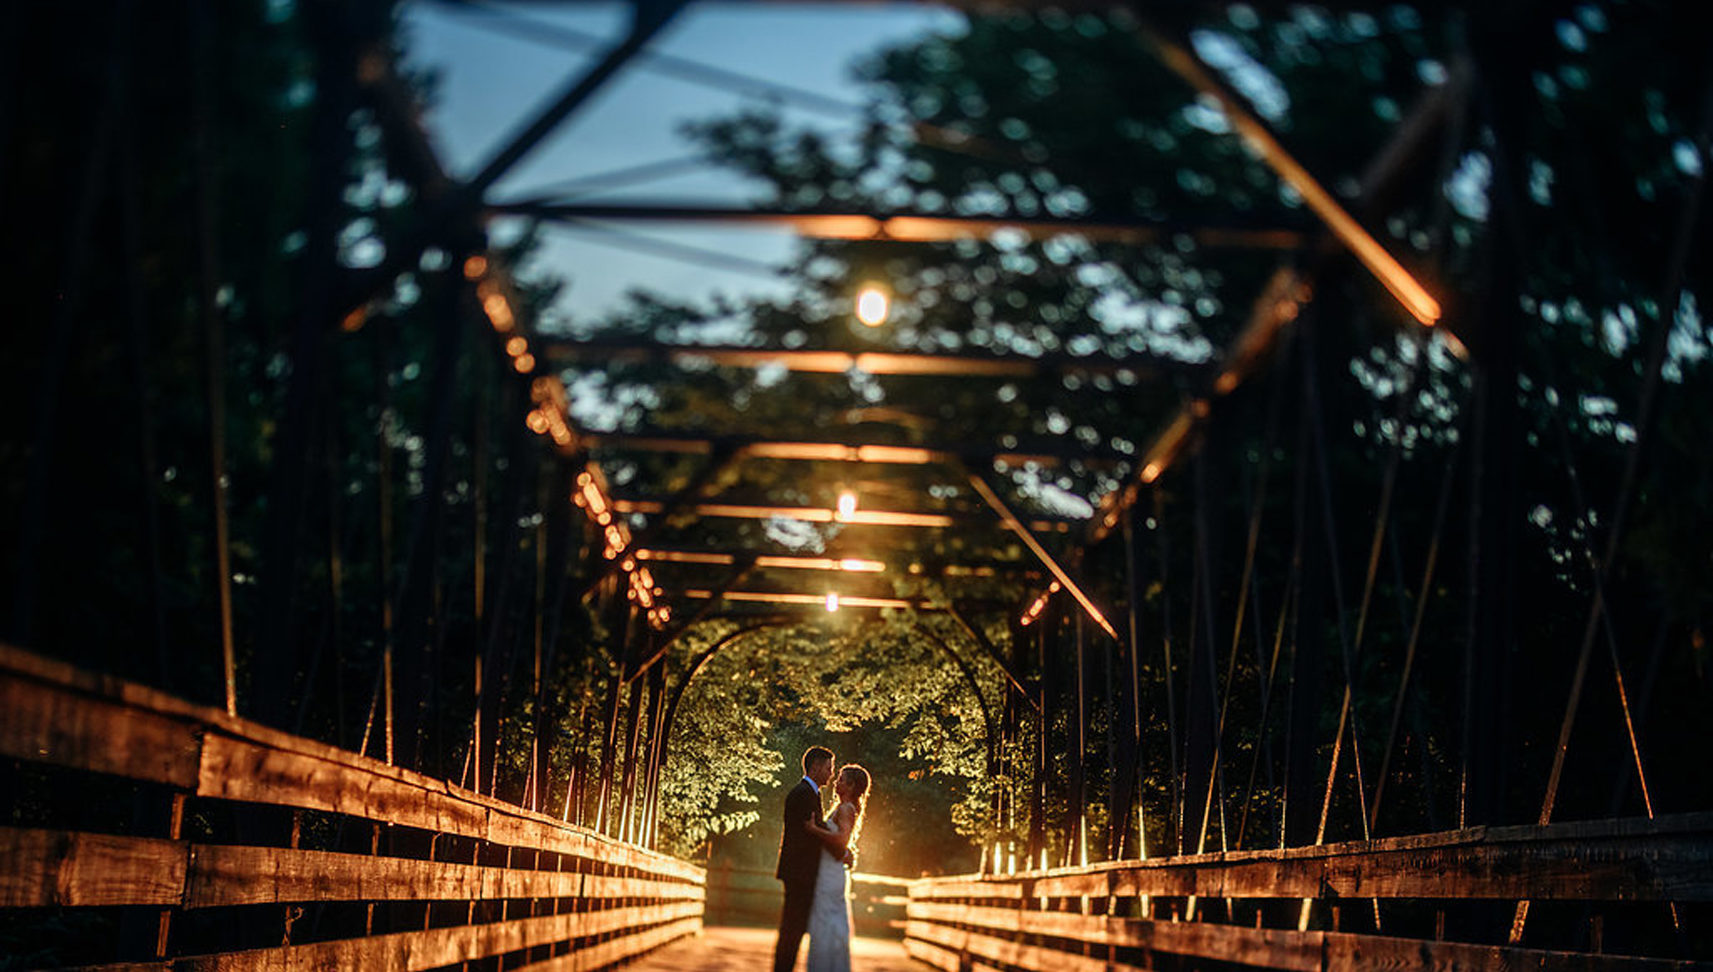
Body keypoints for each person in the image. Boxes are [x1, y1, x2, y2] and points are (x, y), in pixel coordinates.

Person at [773, 746, 836, 972]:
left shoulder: (809, 794)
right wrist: (839, 846)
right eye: (829, 767)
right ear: (816, 767)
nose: (832, 773)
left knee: (795, 926)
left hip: (800, 872)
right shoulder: (802, 794)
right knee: (792, 927)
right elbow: (811, 832)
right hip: (799, 872)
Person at [803, 764, 868, 972]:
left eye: (841, 779)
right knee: (825, 920)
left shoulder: (846, 809)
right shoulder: (842, 807)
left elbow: (841, 840)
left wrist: (814, 830)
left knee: (826, 921)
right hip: (828, 869)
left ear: (850, 786)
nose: (836, 782)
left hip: (830, 873)